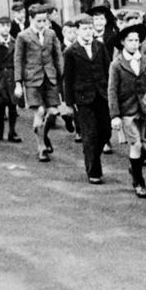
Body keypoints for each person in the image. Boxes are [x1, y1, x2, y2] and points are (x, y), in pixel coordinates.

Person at [63, 14, 112, 182]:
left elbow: (108, 71)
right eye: (85, 29)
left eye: (90, 28)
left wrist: (111, 94)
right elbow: (67, 79)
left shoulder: (100, 46)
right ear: (77, 31)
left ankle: (90, 154)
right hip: (83, 98)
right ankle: (94, 171)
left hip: (102, 95)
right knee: (90, 134)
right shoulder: (71, 52)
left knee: (105, 131)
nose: (88, 32)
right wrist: (69, 104)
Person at [108, 22, 146, 198]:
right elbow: (112, 90)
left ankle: (134, 167)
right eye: (131, 40)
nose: (135, 43)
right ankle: (139, 182)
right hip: (127, 112)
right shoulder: (117, 65)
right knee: (136, 144)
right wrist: (115, 115)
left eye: (137, 40)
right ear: (123, 42)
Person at [14, 4, 64, 162]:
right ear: (31, 19)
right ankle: (41, 147)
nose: (42, 24)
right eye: (39, 21)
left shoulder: (51, 34)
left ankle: (43, 134)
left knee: (54, 111)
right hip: (32, 80)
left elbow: (58, 56)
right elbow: (18, 61)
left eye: (44, 20)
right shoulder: (23, 36)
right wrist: (18, 83)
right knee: (40, 111)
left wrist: (61, 76)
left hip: (50, 78)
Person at [0, 16, 20, 142]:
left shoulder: (15, 42)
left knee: (13, 106)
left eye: (8, 26)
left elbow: (18, 61)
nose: (5, 28)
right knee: (0, 106)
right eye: (2, 26)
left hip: (11, 77)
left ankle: (12, 131)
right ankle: (0, 127)